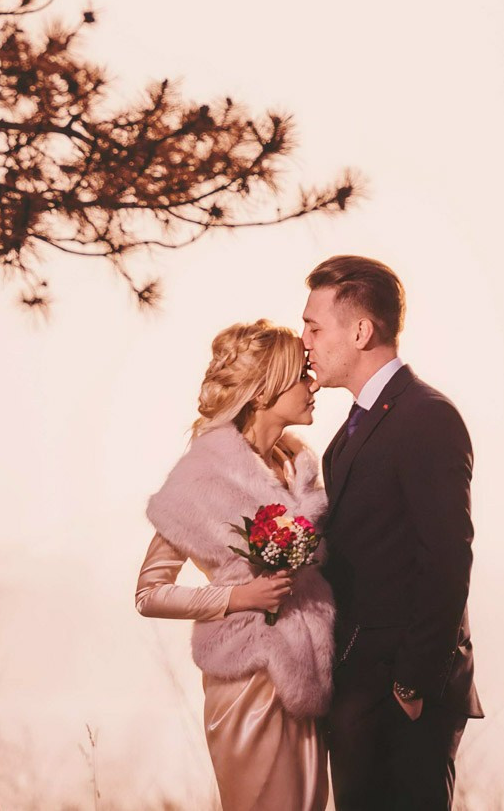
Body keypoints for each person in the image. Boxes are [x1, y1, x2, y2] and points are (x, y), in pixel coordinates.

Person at [303, 255, 482, 811]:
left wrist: (413, 684)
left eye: (313, 326)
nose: (302, 340)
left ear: (360, 330)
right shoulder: (355, 423)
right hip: (361, 690)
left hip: (403, 697)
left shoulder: (426, 416)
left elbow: (448, 558)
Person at [137, 319, 337, 811]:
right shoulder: (201, 477)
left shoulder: (299, 468)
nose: (313, 386)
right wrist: (237, 597)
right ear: (264, 390)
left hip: (309, 679)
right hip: (247, 682)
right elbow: (149, 593)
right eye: (300, 377)